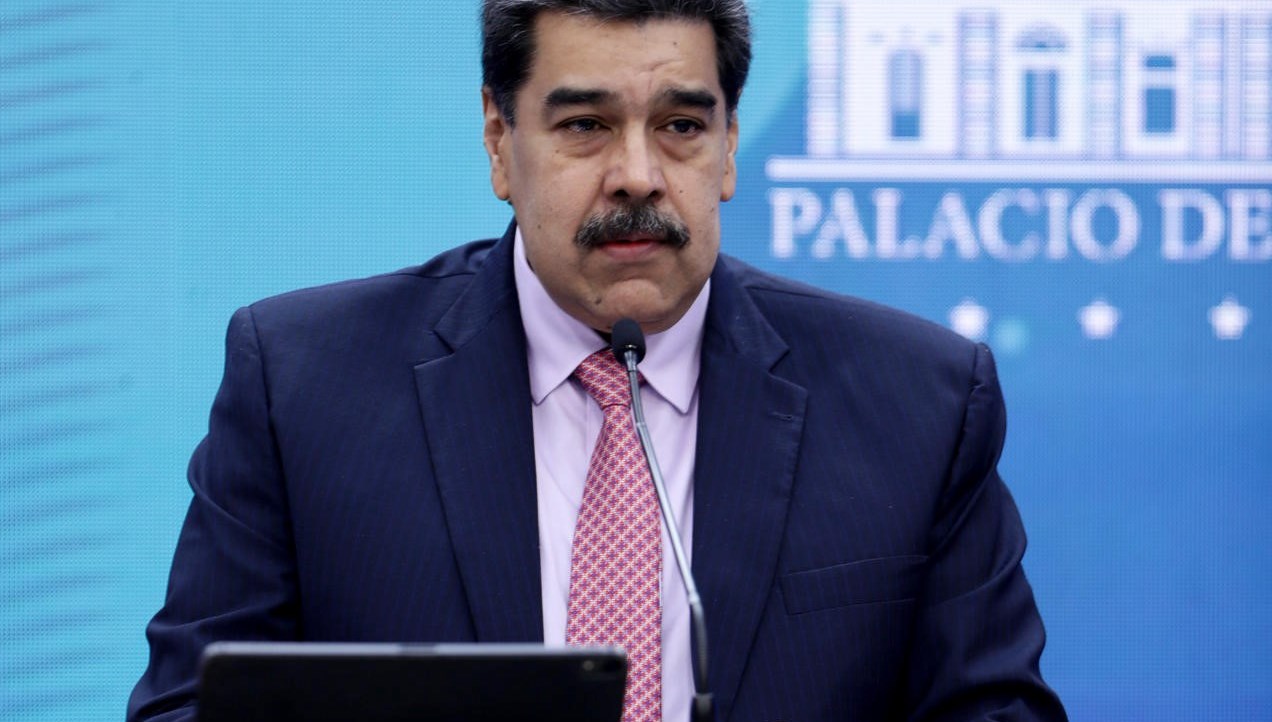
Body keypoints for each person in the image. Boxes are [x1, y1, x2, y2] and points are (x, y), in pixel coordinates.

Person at [129, 1, 1068, 720]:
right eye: (585, 125)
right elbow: (185, 709)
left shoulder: (919, 405)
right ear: (500, 142)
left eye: (681, 126)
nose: (638, 175)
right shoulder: (303, 386)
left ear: (730, 147)